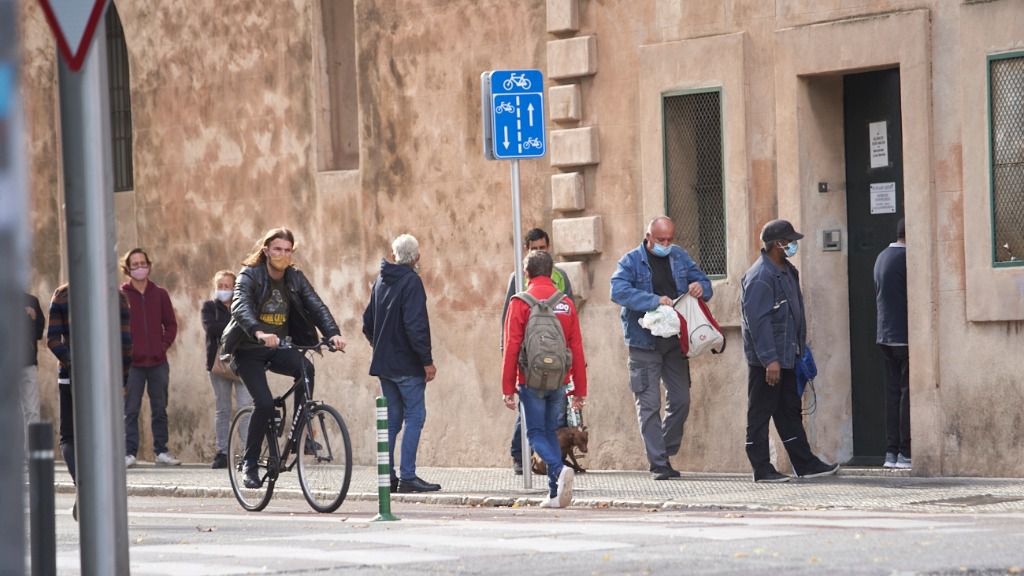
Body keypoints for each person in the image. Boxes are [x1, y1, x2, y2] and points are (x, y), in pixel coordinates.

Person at [220, 228, 346, 489]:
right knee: (264, 403)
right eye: (277, 249)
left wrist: (333, 334)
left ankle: (301, 435)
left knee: (306, 368)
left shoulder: (294, 277)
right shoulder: (250, 274)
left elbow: (316, 305)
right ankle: (250, 463)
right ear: (266, 250)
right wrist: (258, 331)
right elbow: (240, 305)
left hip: (278, 347)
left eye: (287, 250)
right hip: (248, 349)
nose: (282, 254)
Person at [610, 216, 712, 480]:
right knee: (649, 404)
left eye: (670, 239)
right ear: (648, 237)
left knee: (681, 400)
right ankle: (658, 464)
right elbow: (618, 291)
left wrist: (700, 287)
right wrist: (653, 300)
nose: (666, 244)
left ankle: (663, 451)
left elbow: (705, 282)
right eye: (660, 240)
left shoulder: (678, 256)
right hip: (644, 343)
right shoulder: (631, 261)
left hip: (675, 342)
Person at [741, 219, 840, 482]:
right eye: (790, 241)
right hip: (768, 361)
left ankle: (805, 463)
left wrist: (797, 351)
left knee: (789, 410)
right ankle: (761, 469)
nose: (793, 245)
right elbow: (758, 323)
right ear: (777, 244)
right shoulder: (760, 277)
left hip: (788, 356)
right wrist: (769, 360)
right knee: (760, 413)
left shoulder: (787, 271)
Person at [501, 250, 587, 508]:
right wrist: (579, 390)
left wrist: (508, 387)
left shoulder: (520, 302)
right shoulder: (566, 304)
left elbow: (512, 347)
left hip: (531, 379)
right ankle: (553, 493)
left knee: (536, 433)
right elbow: (577, 347)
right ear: (551, 273)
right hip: (560, 380)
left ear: (526, 274)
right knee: (551, 431)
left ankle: (558, 471)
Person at [362, 234, 440, 494]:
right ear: (417, 257)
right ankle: (408, 476)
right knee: (415, 416)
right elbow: (416, 326)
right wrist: (426, 361)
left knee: (392, 420)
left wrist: (380, 346)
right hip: (407, 365)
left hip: (385, 365)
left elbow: (367, 323)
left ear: (393, 254)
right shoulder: (412, 282)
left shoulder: (380, 281)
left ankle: (388, 475)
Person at [47, 284, 132, 520]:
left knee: (69, 436)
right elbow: (126, 345)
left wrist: (75, 362)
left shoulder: (62, 295)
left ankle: (83, 487)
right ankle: (97, 491)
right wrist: (122, 380)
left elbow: (52, 340)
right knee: (102, 435)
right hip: (107, 376)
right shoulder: (117, 297)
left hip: (70, 376)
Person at [500, 227, 574, 475]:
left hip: (556, 363)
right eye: (535, 249)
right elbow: (508, 325)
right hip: (529, 363)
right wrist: (508, 364)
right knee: (529, 416)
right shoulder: (517, 280)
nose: (539, 252)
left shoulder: (561, 277)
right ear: (526, 251)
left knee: (552, 419)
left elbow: (571, 316)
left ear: (549, 247)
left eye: (543, 248)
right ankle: (521, 456)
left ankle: (554, 467)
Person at [121, 248, 180, 468]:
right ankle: (128, 453)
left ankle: (161, 451)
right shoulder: (121, 295)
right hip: (132, 365)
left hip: (158, 362)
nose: (139, 268)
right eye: (134, 264)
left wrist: (162, 345)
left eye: (142, 263)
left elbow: (171, 324)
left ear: (149, 265)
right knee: (130, 409)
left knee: (159, 407)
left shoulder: (160, 294)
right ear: (127, 269)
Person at [202, 270, 252, 469]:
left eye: (228, 286)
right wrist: (238, 326)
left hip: (243, 363)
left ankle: (249, 452)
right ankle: (222, 452)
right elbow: (211, 328)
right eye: (220, 286)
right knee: (222, 410)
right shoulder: (209, 307)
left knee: (246, 409)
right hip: (218, 365)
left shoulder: (244, 304)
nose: (224, 290)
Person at [874, 218, 910, 469]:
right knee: (907, 395)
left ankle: (891, 453)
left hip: (885, 334)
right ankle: (907, 452)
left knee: (892, 394)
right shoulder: (907, 258)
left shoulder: (882, 257)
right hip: (905, 336)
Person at [20, 292, 45, 431]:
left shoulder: (31, 301)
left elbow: (39, 333)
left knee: (32, 411)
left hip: (28, 364)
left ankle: (31, 452)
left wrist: (34, 318)